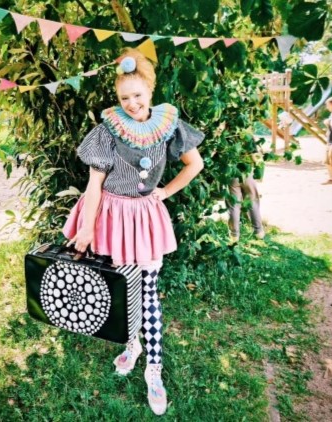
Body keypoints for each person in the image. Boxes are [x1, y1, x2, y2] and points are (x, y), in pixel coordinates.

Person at [62, 48, 204, 415]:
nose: (132, 104)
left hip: (144, 218)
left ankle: (154, 370)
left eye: (138, 95)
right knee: (123, 289)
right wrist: (86, 228)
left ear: (150, 92)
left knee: (149, 294)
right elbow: (94, 185)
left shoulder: (168, 125)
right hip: (111, 216)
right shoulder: (108, 130)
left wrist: (166, 191)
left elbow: (195, 164)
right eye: (124, 97)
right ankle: (132, 345)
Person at [227, 174, 265, 243]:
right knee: (252, 202)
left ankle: (234, 235)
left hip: (233, 174)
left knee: (234, 205)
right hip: (247, 174)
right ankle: (259, 232)